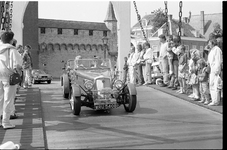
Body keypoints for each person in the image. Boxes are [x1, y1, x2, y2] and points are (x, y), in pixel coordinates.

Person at [0, 31, 22, 129]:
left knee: (0, 100)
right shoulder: (12, 50)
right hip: (9, 78)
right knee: (8, 100)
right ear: (11, 40)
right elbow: (17, 65)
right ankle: (5, 122)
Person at [207, 39, 223, 106]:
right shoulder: (212, 50)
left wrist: (217, 69)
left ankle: (216, 100)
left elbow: (218, 60)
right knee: (211, 84)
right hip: (212, 69)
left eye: (209, 43)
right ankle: (214, 99)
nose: (208, 44)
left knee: (215, 85)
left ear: (213, 43)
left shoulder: (217, 49)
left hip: (215, 69)